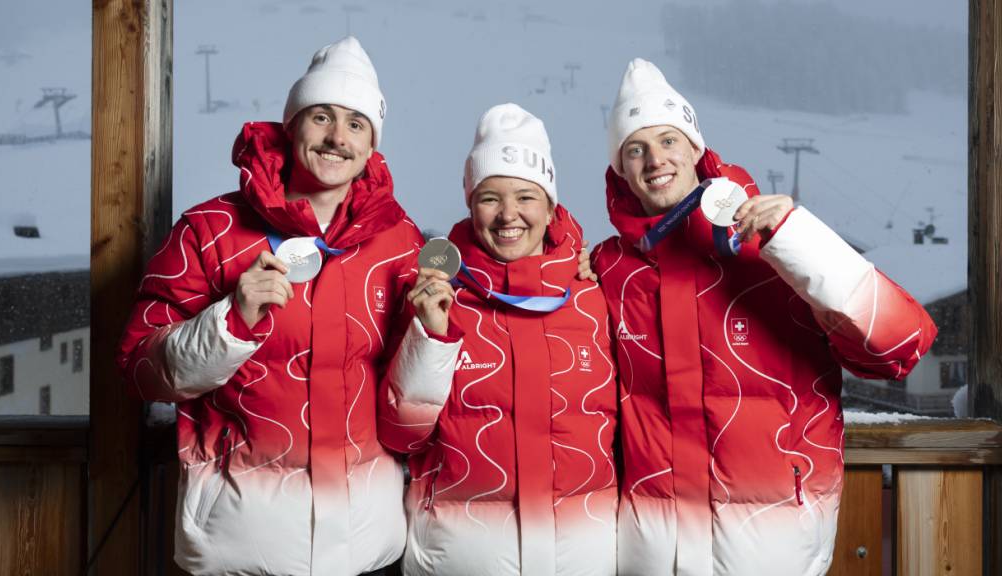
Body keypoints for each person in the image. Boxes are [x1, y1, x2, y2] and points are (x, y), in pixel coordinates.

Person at [591, 59, 937, 576]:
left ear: (695, 150)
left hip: (774, 539)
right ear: (620, 169)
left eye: (668, 140)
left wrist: (795, 238)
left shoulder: (776, 246)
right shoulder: (608, 267)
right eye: (634, 148)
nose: (654, 158)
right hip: (653, 547)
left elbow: (899, 345)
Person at [116, 37, 421, 575]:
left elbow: (411, 389)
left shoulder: (399, 241)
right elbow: (141, 368)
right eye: (320, 116)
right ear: (291, 125)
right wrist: (229, 322)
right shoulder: (209, 231)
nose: (335, 138)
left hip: (367, 546)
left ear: (373, 143)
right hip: (241, 543)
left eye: (355, 124)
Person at [378, 103, 619, 576]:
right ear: (470, 205)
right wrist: (430, 334)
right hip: (457, 558)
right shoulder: (435, 293)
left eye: (526, 197)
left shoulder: (594, 293)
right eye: (490, 197)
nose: (509, 214)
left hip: (583, 558)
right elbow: (401, 434)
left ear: (551, 207)